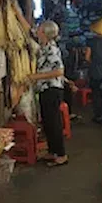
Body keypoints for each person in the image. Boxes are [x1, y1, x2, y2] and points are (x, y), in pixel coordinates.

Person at [29, 20, 67, 166]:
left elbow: (59, 71)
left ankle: (61, 155)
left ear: (44, 32)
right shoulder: (43, 46)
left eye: (39, 29)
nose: (37, 30)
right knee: (47, 122)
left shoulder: (51, 49)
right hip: (45, 89)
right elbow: (29, 30)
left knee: (54, 123)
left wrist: (36, 77)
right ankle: (52, 151)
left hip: (52, 89)